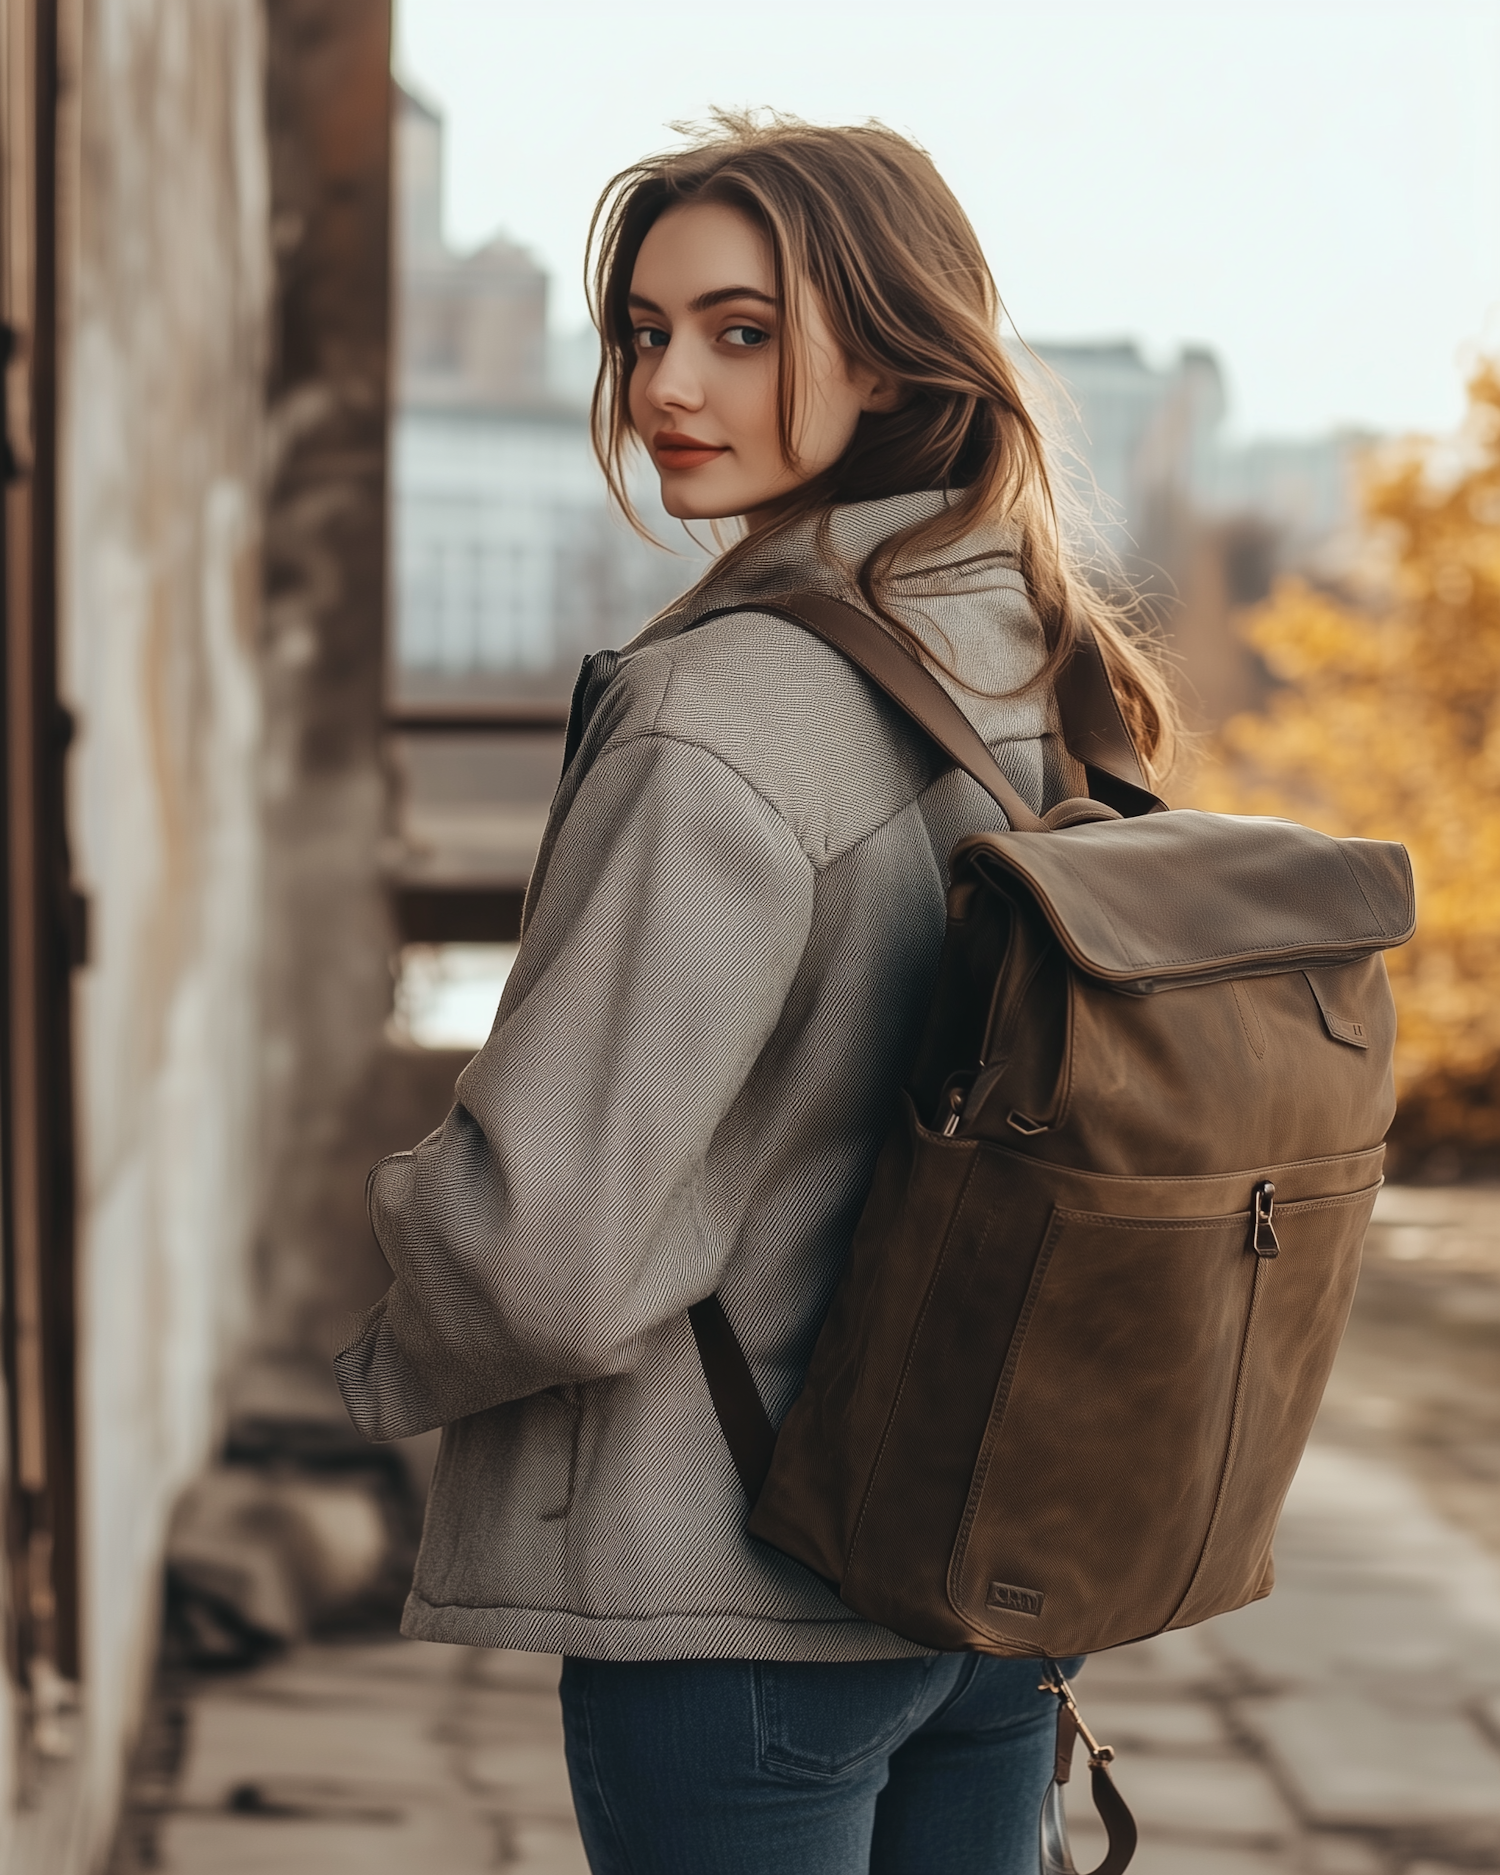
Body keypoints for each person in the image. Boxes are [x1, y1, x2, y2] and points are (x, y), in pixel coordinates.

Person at [337, 110, 1176, 1874]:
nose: (668, 385)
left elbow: (546, 1251)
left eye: (742, 329)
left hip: (735, 1600)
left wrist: (390, 1292)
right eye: (646, 332)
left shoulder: (721, 719)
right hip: (990, 1572)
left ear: (887, 356)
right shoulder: (1029, 648)